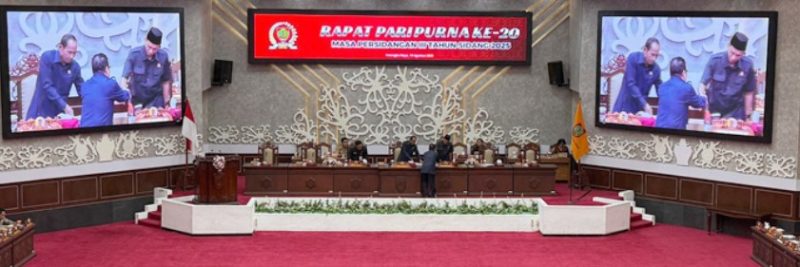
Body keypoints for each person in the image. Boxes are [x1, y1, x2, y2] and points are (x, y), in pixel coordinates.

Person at [699, 32, 757, 122]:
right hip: (715, 113)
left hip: (736, 114)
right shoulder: (715, 61)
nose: (733, 57)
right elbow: (703, 85)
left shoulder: (747, 65)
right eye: (732, 53)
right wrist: (704, 103)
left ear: (743, 54)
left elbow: (749, 93)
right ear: (728, 46)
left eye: (738, 55)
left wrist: (748, 116)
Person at [26, 34, 84, 119]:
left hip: (60, 113)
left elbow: (81, 89)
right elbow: (47, 85)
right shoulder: (47, 57)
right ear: (61, 48)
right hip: (41, 110)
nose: (72, 56)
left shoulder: (75, 67)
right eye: (69, 52)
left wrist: (91, 101)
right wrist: (65, 106)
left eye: (74, 53)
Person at [122, 27, 172, 108]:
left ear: (159, 47)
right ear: (145, 40)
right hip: (138, 101)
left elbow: (165, 81)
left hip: (156, 101)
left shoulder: (163, 56)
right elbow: (124, 78)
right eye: (149, 47)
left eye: (155, 49)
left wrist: (167, 102)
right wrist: (125, 93)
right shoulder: (134, 54)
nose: (151, 51)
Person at [612, 37, 662, 115]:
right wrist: (644, 104)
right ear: (645, 50)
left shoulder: (656, 69)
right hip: (625, 107)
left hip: (641, 110)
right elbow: (631, 84)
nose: (654, 59)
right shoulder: (633, 58)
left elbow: (660, 90)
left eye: (657, 56)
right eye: (652, 55)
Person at [80, 53, 132, 127]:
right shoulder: (110, 84)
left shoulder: (84, 86)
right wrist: (127, 90)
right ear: (107, 68)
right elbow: (124, 97)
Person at [656, 57, 707, 129]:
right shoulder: (686, 88)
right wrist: (703, 93)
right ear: (684, 72)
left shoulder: (662, 87)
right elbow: (700, 103)